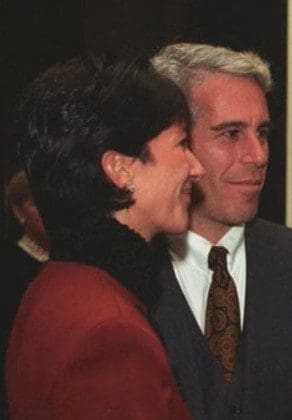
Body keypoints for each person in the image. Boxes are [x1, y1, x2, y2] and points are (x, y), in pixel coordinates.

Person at [151, 43, 292, 419]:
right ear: (177, 142)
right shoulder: (122, 277)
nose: (258, 156)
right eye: (231, 134)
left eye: (262, 133)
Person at [5, 54, 204, 418]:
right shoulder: (110, 333)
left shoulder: (57, 283)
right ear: (120, 168)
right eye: (181, 144)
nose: (196, 167)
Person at [1, 169, 50, 417]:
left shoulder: (69, 258)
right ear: (18, 212)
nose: (46, 210)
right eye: (35, 203)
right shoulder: (8, 265)